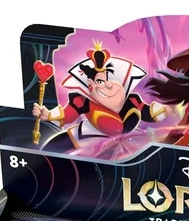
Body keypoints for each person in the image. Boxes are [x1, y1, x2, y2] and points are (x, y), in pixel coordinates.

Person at [32, 42, 169, 153]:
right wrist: (48, 115)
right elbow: (68, 114)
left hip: (125, 143)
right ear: (90, 85)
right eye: (100, 82)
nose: (108, 85)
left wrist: (166, 110)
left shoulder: (132, 101)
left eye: (109, 80)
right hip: (86, 138)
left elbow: (148, 113)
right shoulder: (84, 102)